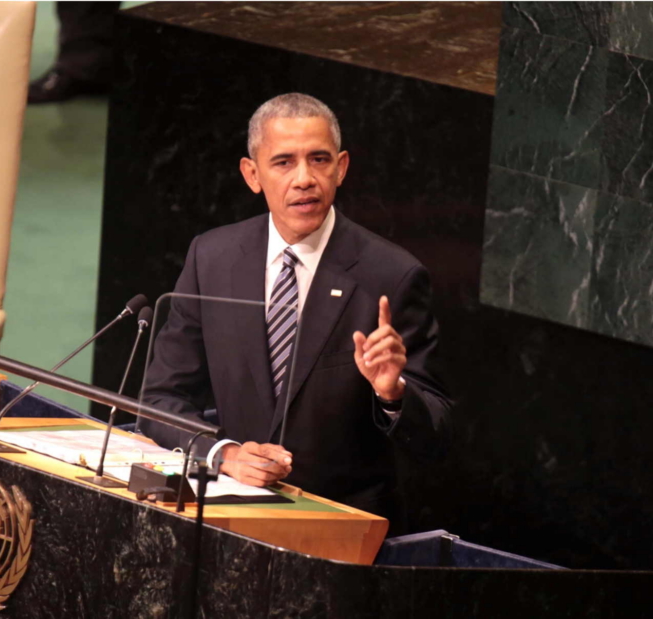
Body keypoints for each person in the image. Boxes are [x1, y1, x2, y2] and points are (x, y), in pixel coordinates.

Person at [138, 93, 452, 528]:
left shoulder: (392, 276)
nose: (304, 179)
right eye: (284, 162)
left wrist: (392, 393)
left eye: (319, 160)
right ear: (252, 174)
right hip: (226, 518)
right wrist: (223, 455)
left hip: (338, 527)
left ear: (340, 168)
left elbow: (435, 432)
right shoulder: (212, 258)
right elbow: (159, 399)